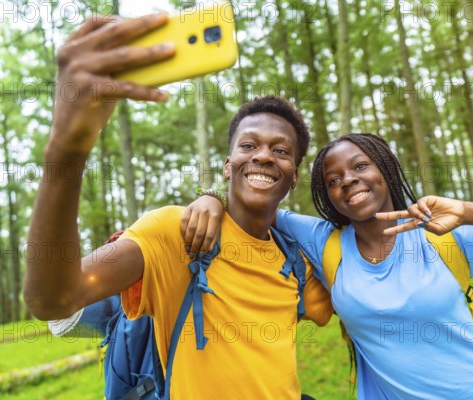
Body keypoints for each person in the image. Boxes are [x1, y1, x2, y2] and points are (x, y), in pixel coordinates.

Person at [24, 13, 333, 400]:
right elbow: (53, 300)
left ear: (293, 175)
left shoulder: (298, 262)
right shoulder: (176, 232)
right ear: (227, 165)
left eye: (281, 150)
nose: (264, 157)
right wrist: (67, 147)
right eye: (249, 146)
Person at [183, 133, 473, 399]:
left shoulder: (439, 234)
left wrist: (469, 210)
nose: (348, 181)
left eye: (360, 167)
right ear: (326, 195)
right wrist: (211, 198)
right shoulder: (325, 244)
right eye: (334, 179)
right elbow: (254, 203)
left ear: (385, 170)